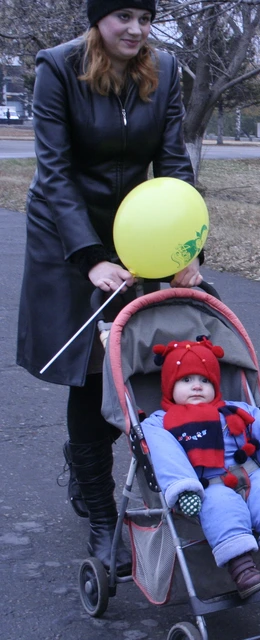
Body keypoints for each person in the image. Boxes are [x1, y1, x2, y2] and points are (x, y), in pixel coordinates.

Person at [16, 0, 198, 576]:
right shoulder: (57, 68)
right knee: (92, 373)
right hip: (68, 236)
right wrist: (91, 256)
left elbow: (172, 164)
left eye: (145, 18)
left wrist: (186, 251)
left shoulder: (164, 70)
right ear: (97, 19)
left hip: (139, 231)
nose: (136, 30)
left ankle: (119, 471)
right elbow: (55, 171)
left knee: (147, 358)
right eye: (123, 16)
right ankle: (102, 518)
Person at [140, 338, 260, 598]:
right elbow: (168, 458)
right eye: (186, 380)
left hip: (252, 473)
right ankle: (242, 566)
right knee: (221, 509)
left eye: (205, 381)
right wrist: (184, 490)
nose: (197, 386)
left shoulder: (238, 410)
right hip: (208, 485)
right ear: (169, 386)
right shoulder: (161, 423)